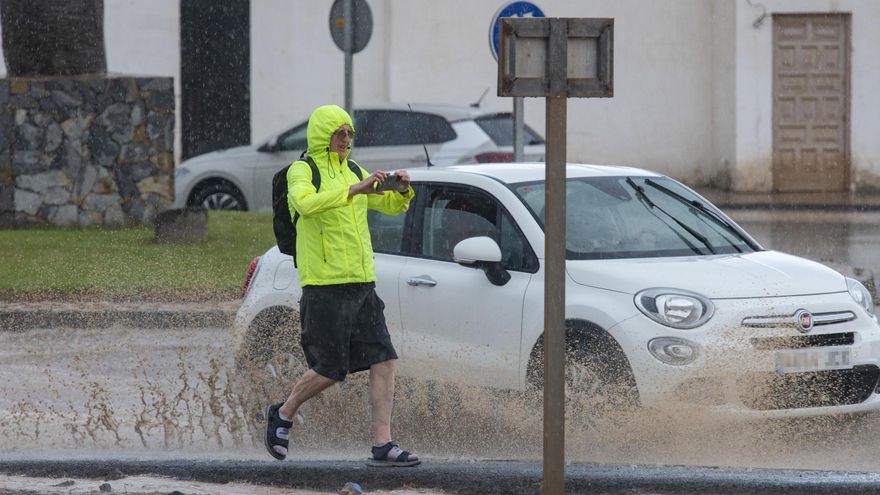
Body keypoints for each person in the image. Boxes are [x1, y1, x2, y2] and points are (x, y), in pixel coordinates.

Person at [264, 104, 419, 467]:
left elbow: (391, 208)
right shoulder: (304, 170)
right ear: (324, 136)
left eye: (349, 133)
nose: (346, 140)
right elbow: (304, 203)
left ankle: (383, 444)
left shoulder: (352, 169)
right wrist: (354, 189)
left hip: (362, 284)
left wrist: (402, 191)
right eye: (340, 134)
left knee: (383, 359)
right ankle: (283, 414)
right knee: (330, 368)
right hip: (324, 285)